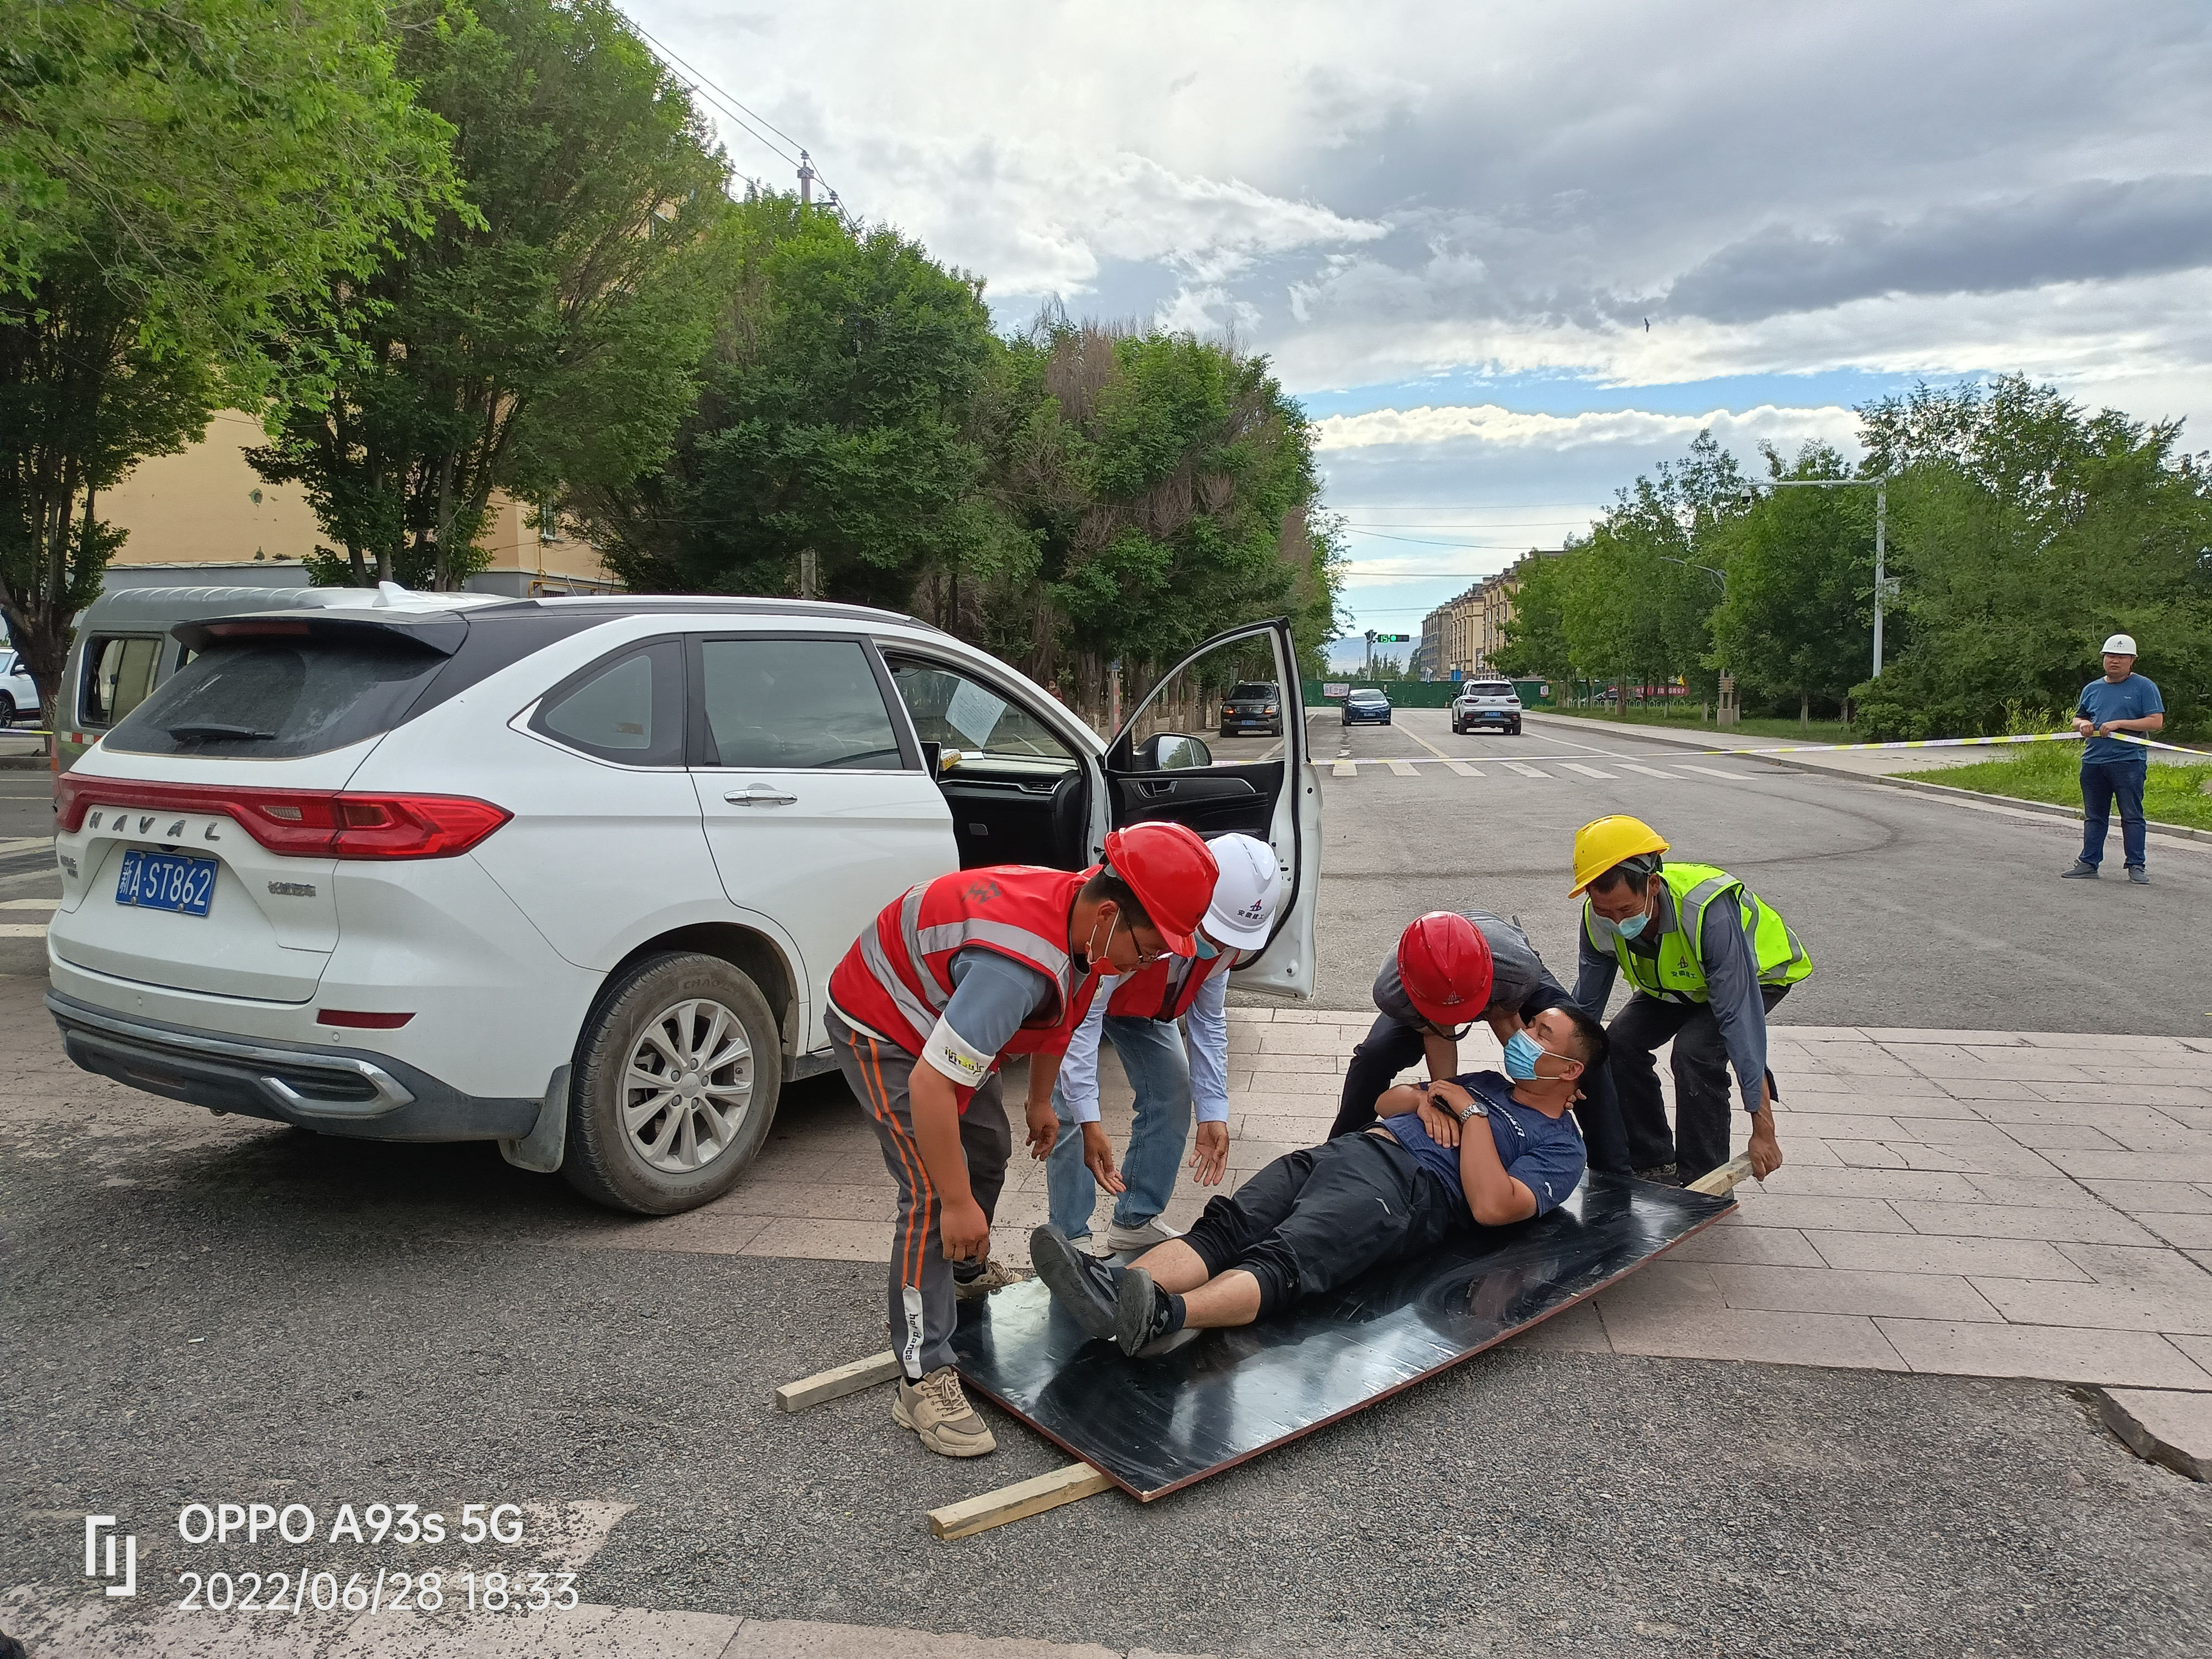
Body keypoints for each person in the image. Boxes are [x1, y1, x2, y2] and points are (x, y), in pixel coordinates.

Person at [824, 822, 1219, 1457]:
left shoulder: (1087, 930)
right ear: (1110, 914)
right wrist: (957, 1204)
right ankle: (921, 1376)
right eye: (1147, 951)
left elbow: (1063, 1016)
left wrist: (1039, 1100)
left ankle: (960, 1273)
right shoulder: (1016, 967)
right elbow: (930, 1085)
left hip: (947, 1008)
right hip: (886, 1018)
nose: (1144, 966)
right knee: (931, 1193)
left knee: (986, 1150)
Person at [1031, 1001, 1604, 1356]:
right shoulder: (1487, 1081)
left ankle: (1167, 1315)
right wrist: (1430, 1098)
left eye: (1541, 1034)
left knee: (1287, 1258)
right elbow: (1388, 1101)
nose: (1523, 1036)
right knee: (1226, 1228)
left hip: (1403, 1190)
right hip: (1348, 1150)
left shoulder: (1560, 1146)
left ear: (1571, 1070)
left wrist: (1469, 1114)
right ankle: (1111, 1291)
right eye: (1530, 1025)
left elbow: (1493, 1206)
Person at [1048, 833, 1284, 1254]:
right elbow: (1083, 1025)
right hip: (1086, 991)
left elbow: (1208, 1020)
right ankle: (1071, 1238)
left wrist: (1213, 1111)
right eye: (1215, 932)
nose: (1221, 946)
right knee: (1069, 1106)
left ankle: (1135, 1220)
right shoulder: (1126, 922)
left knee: (1173, 1090)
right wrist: (1090, 1119)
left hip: (1144, 1008)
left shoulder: (1226, 944)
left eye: (1231, 939)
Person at [1569, 815, 1811, 1188]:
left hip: (1755, 977)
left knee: (1695, 1051)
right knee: (1618, 1042)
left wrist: (1763, 1128)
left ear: (1652, 885)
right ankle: (1651, 1162)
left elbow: (1739, 1021)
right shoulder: (1597, 919)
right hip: (1680, 986)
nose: (1616, 922)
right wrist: (1559, 1076)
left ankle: (1704, 1178)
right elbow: (1585, 1012)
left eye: (1626, 911)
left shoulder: (1706, 911)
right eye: (1605, 911)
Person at [1329, 910, 1630, 1176]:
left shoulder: (1516, 971)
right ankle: (1337, 1151)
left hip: (1499, 976)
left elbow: (1505, 1021)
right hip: (1428, 983)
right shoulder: (1392, 991)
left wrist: (1555, 1083)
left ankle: (1614, 1173)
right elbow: (1437, 1033)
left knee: (1586, 1047)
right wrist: (1444, 1100)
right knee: (1373, 1056)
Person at [2063, 633, 2165, 886]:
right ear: (2104, 659)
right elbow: (2078, 717)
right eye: (2110, 656)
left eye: (2121, 657)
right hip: (2094, 760)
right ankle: (2089, 863)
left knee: (2132, 815)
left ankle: (2136, 865)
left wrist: (2120, 724)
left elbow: (2156, 721)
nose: (2115, 661)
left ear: (2132, 660)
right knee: (2094, 815)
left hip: (2128, 761)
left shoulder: (2144, 687)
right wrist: (2083, 724)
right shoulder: (2092, 689)